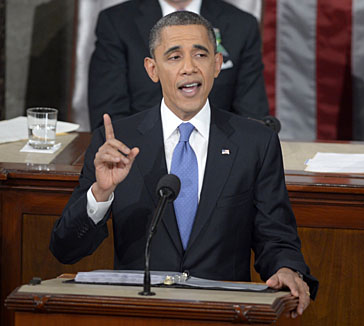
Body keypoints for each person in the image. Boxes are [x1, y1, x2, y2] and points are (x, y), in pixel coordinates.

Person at [51, 11, 315, 317]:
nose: (189, 68)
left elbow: (276, 235)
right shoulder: (116, 143)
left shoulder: (255, 142)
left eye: (200, 54)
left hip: (223, 316)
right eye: (174, 57)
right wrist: (100, 193)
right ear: (152, 69)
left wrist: (286, 268)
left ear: (217, 65)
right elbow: (65, 249)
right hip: (140, 315)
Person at [88, 0, 269, 130]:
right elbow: (109, 118)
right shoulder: (117, 22)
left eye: (200, 55)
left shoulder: (241, 24)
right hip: (138, 156)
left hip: (219, 155)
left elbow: (252, 116)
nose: (188, 68)